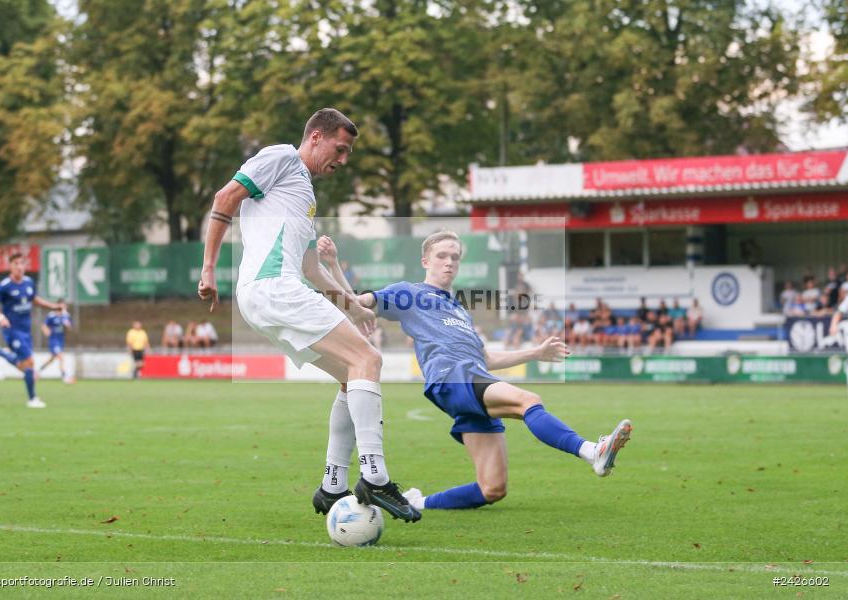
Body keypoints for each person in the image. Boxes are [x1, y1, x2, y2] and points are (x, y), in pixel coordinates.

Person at [197, 108, 420, 523]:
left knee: (351, 376)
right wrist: (208, 267)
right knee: (368, 360)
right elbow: (224, 198)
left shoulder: (305, 194)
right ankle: (374, 476)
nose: (343, 159)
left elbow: (310, 268)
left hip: (273, 293)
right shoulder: (282, 157)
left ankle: (332, 484)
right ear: (315, 137)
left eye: (348, 152)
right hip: (273, 289)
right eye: (340, 148)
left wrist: (352, 306)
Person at [319, 231, 632, 512]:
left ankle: (419, 502)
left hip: (473, 377)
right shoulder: (409, 293)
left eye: (455, 257)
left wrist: (536, 352)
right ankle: (593, 451)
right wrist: (332, 266)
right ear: (425, 260)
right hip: (452, 378)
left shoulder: (459, 308)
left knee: (492, 489)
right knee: (527, 400)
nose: (450, 262)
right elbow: (356, 304)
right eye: (442, 256)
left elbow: (486, 358)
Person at [0, 253, 65, 408]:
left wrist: (53, 306)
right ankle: (32, 399)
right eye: (16, 264)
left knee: (24, 365)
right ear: (11, 266)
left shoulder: (29, 282)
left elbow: (34, 299)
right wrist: (0, 317)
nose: (20, 267)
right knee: (29, 363)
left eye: (22, 263)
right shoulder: (5, 286)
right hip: (12, 330)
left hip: (26, 330)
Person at [39, 300, 73, 383]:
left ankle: (37, 371)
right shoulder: (51, 316)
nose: (63, 307)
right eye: (62, 305)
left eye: (65, 306)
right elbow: (44, 325)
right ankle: (64, 376)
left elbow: (69, 328)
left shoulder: (66, 316)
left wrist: (67, 324)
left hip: (61, 340)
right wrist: (46, 331)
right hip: (53, 340)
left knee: (51, 359)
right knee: (61, 357)